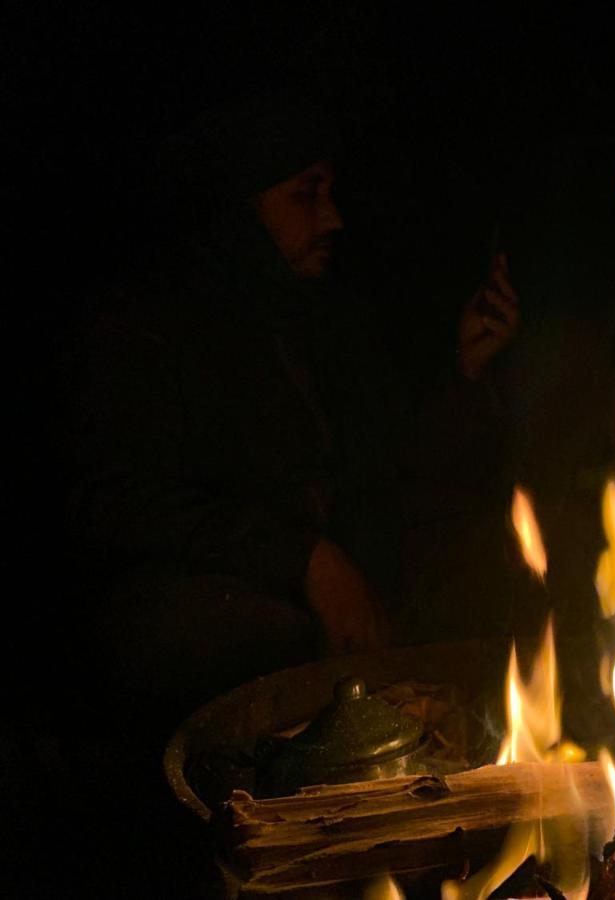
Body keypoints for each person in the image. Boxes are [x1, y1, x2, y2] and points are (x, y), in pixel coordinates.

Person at [66, 88, 522, 715]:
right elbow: (126, 504)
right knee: (182, 626)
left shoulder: (328, 318)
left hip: (364, 583)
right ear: (240, 210)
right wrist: (304, 559)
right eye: (306, 194)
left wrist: (465, 372)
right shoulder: (146, 327)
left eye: (329, 192)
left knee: (491, 554)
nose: (332, 218)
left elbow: (398, 468)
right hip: (245, 594)